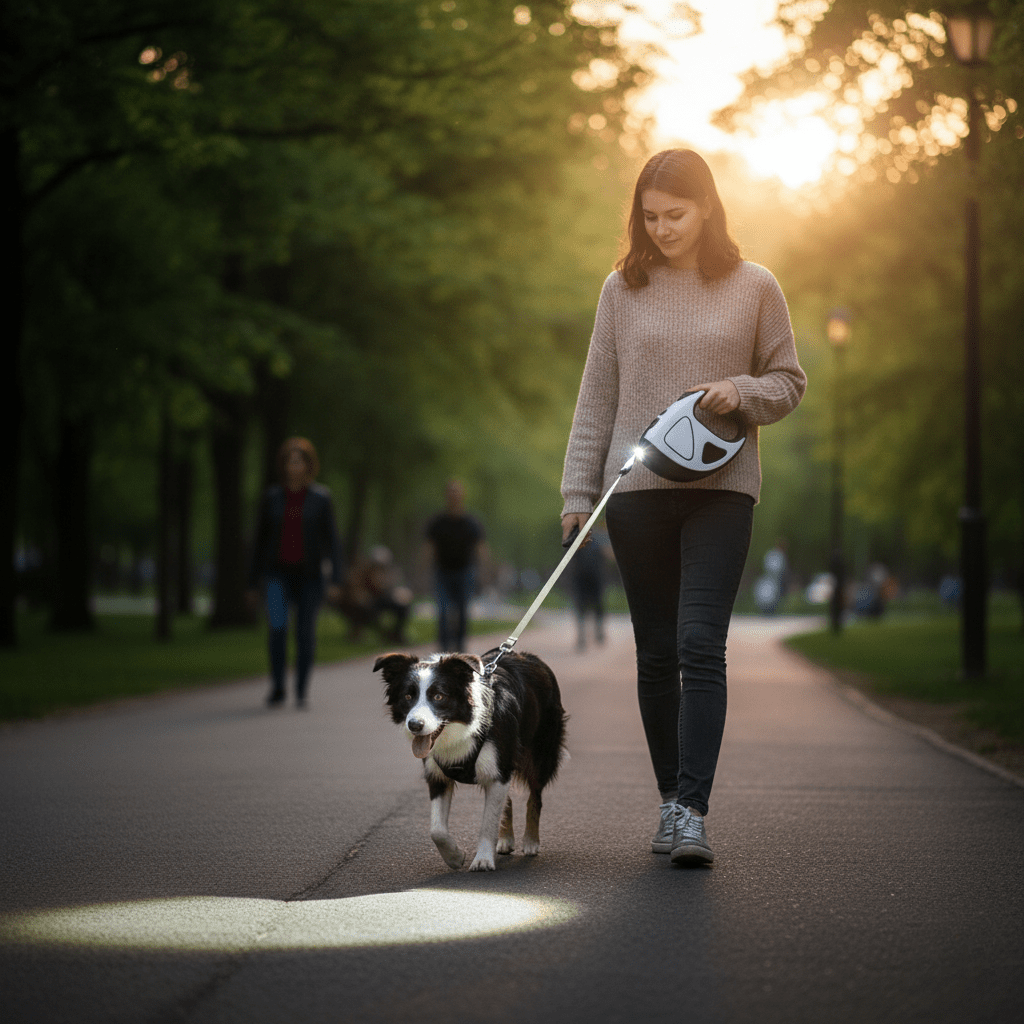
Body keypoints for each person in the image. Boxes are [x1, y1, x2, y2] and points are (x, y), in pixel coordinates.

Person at [560, 149, 806, 866]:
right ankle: (670, 797)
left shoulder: (755, 285)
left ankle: (692, 812)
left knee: (701, 644)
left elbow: (789, 381)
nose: (662, 228)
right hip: (634, 494)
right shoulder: (620, 290)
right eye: (649, 216)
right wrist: (578, 494)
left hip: (722, 491)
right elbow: (596, 398)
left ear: (707, 209)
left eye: (676, 214)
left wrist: (742, 390)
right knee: (657, 651)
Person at [248, 437, 343, 708]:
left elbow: (332, 541)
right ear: (284, 466)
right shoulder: (272, 498)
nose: (294, 466)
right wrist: (252, 581)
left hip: (309, 576)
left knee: (304, 633)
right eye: (290, 461)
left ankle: (301, 688)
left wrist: (336, 578)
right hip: (277, 574)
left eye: (299, 461)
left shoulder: (321, 499)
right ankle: (278, 686)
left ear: (308, 465)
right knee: (277, 628)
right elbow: (260, 541)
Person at [424, 480, 487, 651]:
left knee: (462, 613)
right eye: (451, 492)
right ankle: (443, 649)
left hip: (465, 572)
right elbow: (430, 548)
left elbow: (480, 548)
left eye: (457, 492)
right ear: (446, 496)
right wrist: (425, 571)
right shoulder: (437, 522)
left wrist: (482, 572)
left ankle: (460, 648)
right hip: (443, 572)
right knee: (443, 612)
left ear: (462, 495)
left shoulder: (472, 522)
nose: (454, 496)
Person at [340, 545, 413, 643]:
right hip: (367, 602)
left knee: (403, 607)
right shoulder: (361, 572)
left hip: (381, 600)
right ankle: (360, 633)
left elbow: (389, 590)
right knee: (365, 610)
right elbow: (355, 588)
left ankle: (396, 634)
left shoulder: (387, 573)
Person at [570, 528, 607, 652]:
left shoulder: (597, 543)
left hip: (595, 581)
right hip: (582, 581)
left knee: (598, 607)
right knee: (581, 609)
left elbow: (604, 562)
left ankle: (599, 632)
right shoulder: (576, 544)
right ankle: (582, 637)